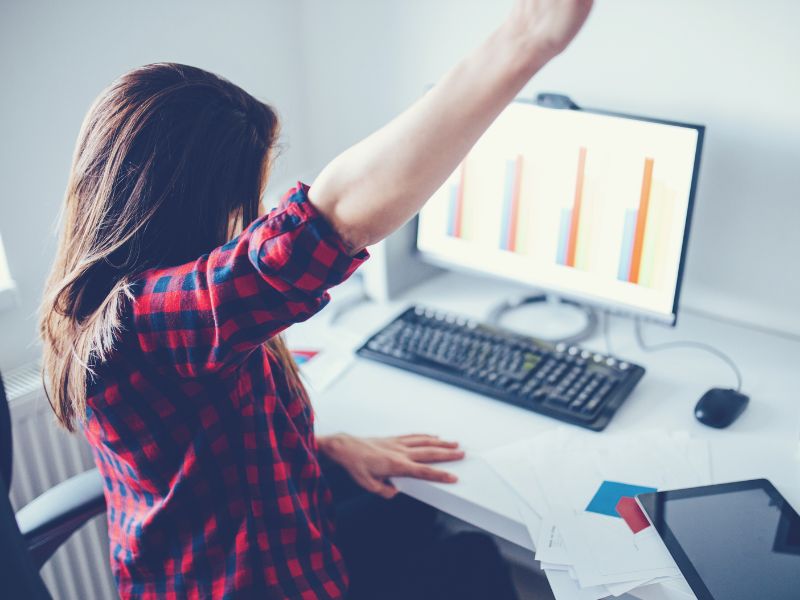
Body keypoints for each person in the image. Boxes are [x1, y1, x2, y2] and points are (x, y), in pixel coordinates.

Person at [38, 1, 592, 597]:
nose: (249, 218)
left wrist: (318, 448)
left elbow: (197, 456)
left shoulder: (95, 290)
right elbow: (325, 228)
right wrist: (526, 41)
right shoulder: (141, 321)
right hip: (246, 584)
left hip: (248, 537)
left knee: (431, 528)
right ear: (199, 203)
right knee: (474, 564)